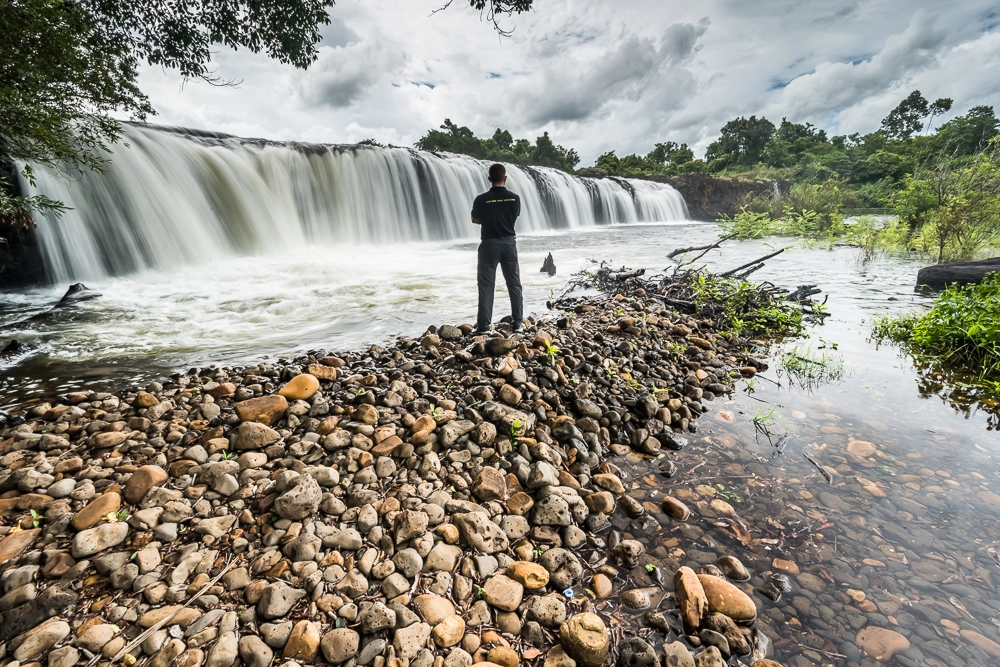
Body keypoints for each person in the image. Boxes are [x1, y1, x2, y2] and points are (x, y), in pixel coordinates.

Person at [471, 163, 523, 333]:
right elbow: (513, 216)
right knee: (514, 283)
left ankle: (484, 326)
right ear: (505, 178)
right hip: (509, 243)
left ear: (489, 179)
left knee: (486, 285)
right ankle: (517, 323)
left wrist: (488, 218)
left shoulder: (481, 199)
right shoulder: (514, 198)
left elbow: (475, 219)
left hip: (489, 245)